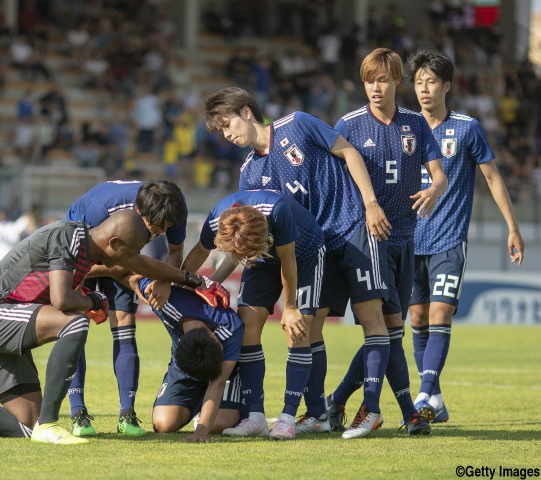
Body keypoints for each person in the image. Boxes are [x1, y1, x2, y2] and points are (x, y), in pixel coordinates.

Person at [204, 87, 392, 439]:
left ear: (246, 112)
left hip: (350, 228)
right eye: (221, 132)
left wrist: (370, 203)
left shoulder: (299, 125)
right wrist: (214, 280)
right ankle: (315, 413)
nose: (227, 136)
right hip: (308, 248)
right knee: (308, 330)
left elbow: (348, 151)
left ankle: (369, 409)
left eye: (227, 125)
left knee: (371, 320)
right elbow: (246, 241)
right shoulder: (249, 171)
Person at [0, 210, 150, 445]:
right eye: (129, 254)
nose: (128, 261)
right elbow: (61, 299)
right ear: (114, 242)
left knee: (27, 426)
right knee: (74, 322)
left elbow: (59, 293)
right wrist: (94, 301)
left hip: (5, 320)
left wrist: (183, 279)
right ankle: (50, 423)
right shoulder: (70, 236)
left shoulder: (85, 250)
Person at [327, 47, 448, 435]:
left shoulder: (415, 124)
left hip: (406, 239)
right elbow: (334, 181)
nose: (375, 88)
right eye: (368, 80)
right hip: (369, 240)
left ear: (396, 80)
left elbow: (438, 174)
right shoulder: (349, 124)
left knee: (389, 332)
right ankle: (395, 411)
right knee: (383, 328)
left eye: (381, 79)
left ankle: (341, 398)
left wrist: (435, 190)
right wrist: (366, 207)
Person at [404, 49, 525, 423]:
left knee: (441, 312)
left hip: (448, 240)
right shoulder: (405, 127)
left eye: (431, 82)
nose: (424, 90)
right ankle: (435, 398)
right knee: (417, 317)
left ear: (447, 86)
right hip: (409, 241)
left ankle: (424, 394)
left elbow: (492, 177)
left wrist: (512, 227)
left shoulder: (466, 127)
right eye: (418, 82)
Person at [182, 190, 326, 439]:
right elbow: (199, 252)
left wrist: (290, 307)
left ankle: (287, 418)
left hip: (304, 256)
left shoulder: (278, 210)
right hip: (262, 260)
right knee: (247, 327)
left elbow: (287, 259)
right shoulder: (218, 216)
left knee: (297, 329)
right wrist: (180, 285)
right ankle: (255, 416)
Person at [64, 179, 185, 437]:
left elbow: (176, 250)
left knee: (125, 326)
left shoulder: (173, 207)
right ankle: (78, 414)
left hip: (125, 258)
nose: (163, 231)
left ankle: (127, 415)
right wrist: (130, 276)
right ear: (140, 213)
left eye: (169, 227)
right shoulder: (100, 211)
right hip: (82, 253)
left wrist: (164, 280)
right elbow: (80, 265)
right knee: (74, 328)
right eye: (157, 227)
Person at [122, 275, 241, 443]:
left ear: (214, 337)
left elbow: (218, 383)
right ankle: (198, 403)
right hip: (185, 371)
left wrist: (201, 430)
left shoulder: (231, 327)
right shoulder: (164, 301)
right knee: (163, 424)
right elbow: (125, 269)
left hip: (222, 372)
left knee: (219, 425)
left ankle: (215, 407)